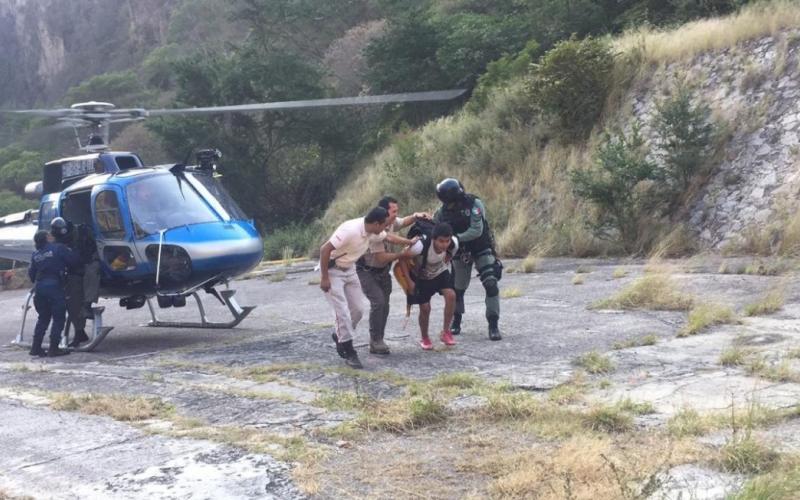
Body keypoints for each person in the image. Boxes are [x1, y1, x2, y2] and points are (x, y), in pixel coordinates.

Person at [319, 207, 412, 369]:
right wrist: (324, 277)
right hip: (332, 271)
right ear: (376, 223)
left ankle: (340, 335)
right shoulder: (350, 230)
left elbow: (388, 237)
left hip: (350, 269)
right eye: (383, 225)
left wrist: (409, 243)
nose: (384, 228)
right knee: (342, 313)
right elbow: (325, 249)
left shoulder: (373, 231)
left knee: (358, 310)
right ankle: (348, 350)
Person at [356, 196, 429, 355]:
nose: (396, 214)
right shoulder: (375, 230)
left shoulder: (390, 222)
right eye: (394, 211)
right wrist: (402, 254)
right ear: (384, 214)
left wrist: (417, 216)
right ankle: (375, 341)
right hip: (367, 270)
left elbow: (403, 222)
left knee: (385, 305)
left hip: (382, 271)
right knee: (378, 302)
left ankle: (378, 339)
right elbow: (381, 257)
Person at [434, 178, 503, 341]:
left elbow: (476, 230)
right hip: (459, 252)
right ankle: (456, 321)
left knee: (491, 283)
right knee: (458, 288)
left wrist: (454, 239)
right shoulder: (441, 213)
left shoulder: (474, 204)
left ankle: (493, 325)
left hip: (481, 247)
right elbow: (434, 229)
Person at [27, 229, 80, 357]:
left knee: (43, 318)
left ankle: (35, 348)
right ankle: (54, 349)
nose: (52, 236)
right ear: (47, 238)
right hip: (54, 288)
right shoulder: (58, 248)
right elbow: (74, 261)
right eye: (50, 235)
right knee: (58, 318)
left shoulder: (35, 254)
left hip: (40, 289)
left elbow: (31, 274)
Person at [406, 222, 459, 350]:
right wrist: (409, 282)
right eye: (441, 241)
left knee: (451, 295)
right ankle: (425, 337)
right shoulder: (420, 246)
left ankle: (446, 332)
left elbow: (450, 254)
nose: (444, 244)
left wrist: (447, 259)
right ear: (433, 238)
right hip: (421, 276)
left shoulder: (454, 243)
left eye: (447, 241)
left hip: (439, 272)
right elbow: (402, 259)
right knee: (425, 308)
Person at [50, 217, 100, 347]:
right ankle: (79, 332)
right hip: (74, 270)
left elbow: (92, 246)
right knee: (72, 302)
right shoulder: (58, 242)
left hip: (89, 262)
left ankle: (88, 305)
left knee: (92, 274)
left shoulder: (82, 231)